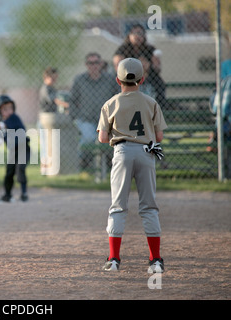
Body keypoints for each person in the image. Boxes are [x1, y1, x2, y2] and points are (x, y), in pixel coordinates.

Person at [96, 58, 168, 273]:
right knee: (149, 207)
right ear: (142, 79)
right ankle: (155, 260)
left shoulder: (111, 103)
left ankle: (114, 259)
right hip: (146, 152)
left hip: (122, 152)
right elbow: (159, 136)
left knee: (118, 206)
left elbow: (102, 138)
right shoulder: (150, 102)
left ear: (118, 80)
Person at [69, 52, 119, 167]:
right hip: (86, 119)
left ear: (101, 64)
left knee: (111, 141)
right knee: (89, 139)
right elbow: (72, 100)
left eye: (96, 62)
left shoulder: (110, 79)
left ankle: (108, 164)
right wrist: (76, 116)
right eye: (90, 63)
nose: (94, 65)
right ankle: (83, 164)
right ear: (86, 65)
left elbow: (118, 98)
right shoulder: (79, 80)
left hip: (107, 121)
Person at [0, 95, 30, 202]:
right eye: (5, 109)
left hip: (23, 149)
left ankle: (24, 193)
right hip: (13, 152)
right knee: (9, 173)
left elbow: (20, 129)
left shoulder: (14, 118)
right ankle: (7, 195)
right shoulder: (2, 125)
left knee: (20, 170)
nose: (9, 111)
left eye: (10, 108)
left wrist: (3, 126)